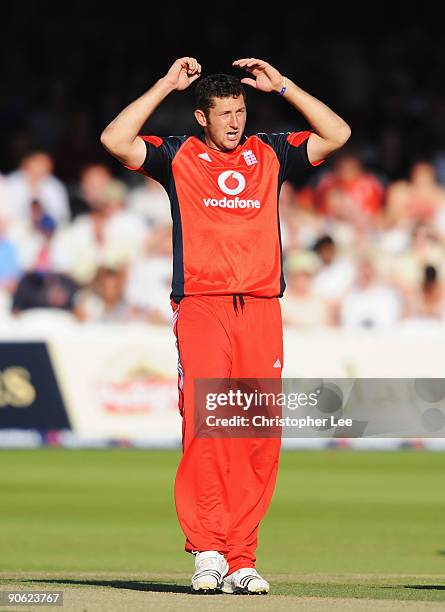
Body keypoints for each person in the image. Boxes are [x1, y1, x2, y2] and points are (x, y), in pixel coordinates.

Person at [101, 56, 350, 595]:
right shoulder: (177, 156)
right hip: (203, 305)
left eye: (240, 111)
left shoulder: (272, 152)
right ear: (201, 117)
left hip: (261, 306)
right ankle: (209, 551)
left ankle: (242, 558)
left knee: (257, 436)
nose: (235, 122)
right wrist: (165, 83)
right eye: (224, 114)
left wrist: (283, 85)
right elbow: (116, 139)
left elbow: (338, 132)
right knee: (208, 426)